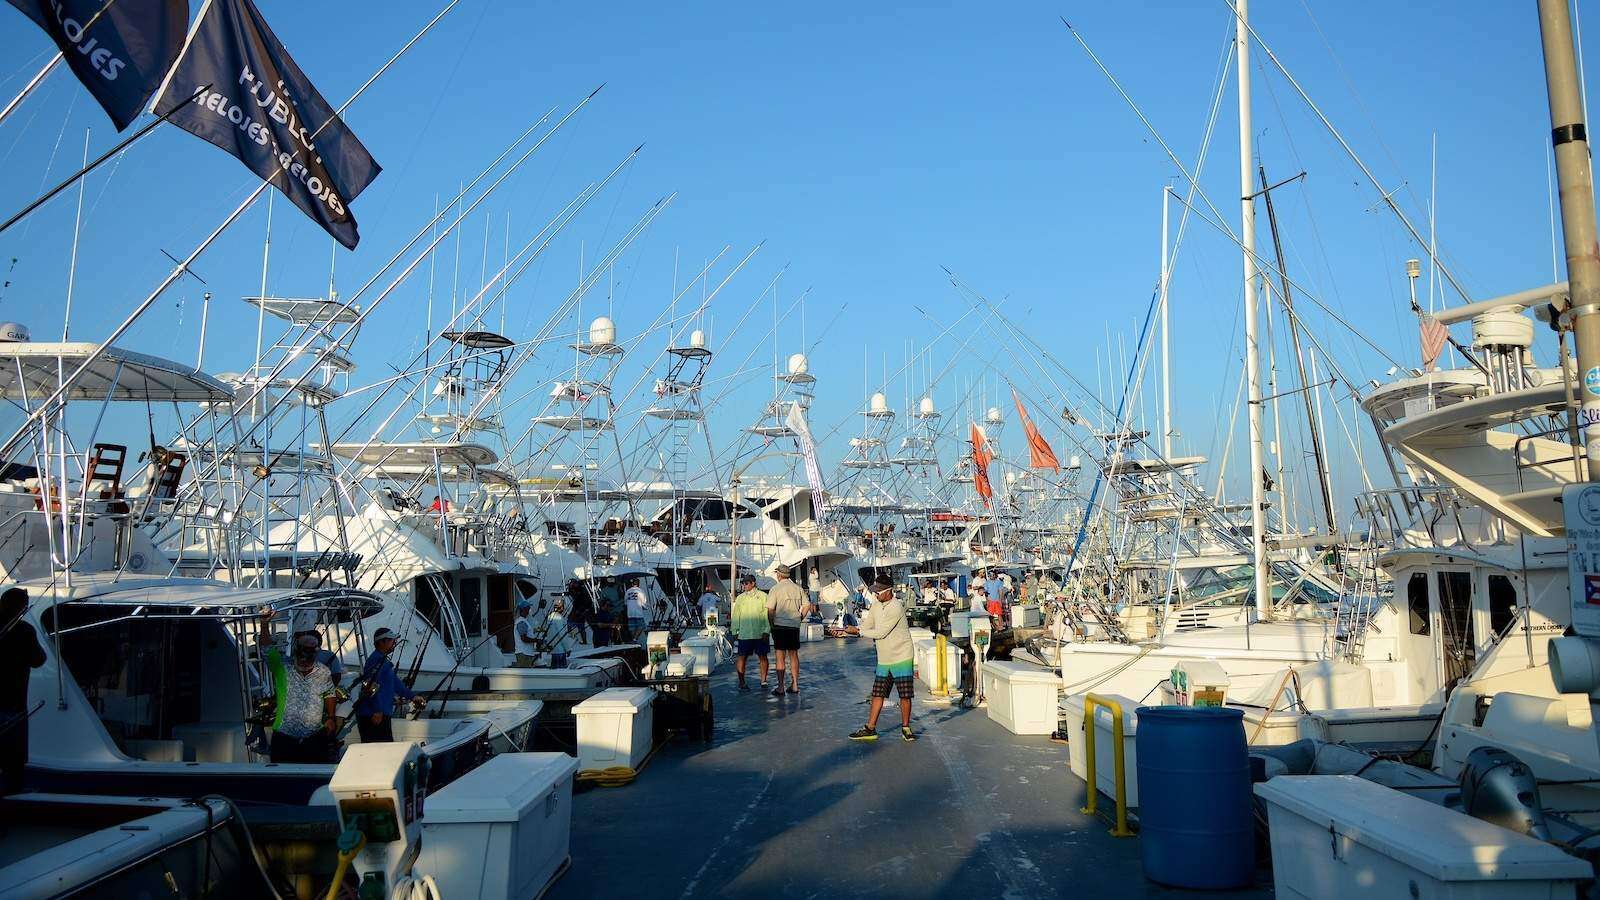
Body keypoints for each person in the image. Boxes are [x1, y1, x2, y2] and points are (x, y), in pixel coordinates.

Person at [849, 575, 918, 743]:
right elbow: (867, 626)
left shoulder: (896, 607)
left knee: (905, 695)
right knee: (877, 693)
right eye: (875, 591)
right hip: (884, 658)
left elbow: (881, 633)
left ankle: (906, 727)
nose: (876, 594)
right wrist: (851, 630)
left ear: (889, 591)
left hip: (902, 656)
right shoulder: (875, 605)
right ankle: (870, 728)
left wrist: (858, 632)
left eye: (879, 591)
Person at [265, 633, 340, 763]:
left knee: (314, 773)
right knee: (284, 774)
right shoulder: (282, 665)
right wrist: (264, 625)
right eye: (301, 658)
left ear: (315, 655)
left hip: (315, 737)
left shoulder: (324, 672)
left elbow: (329, 693)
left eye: (308, 659)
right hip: (284, 737)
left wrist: (331, 717)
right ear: (296, 652)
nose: (304, 662)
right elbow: (266, 648)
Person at [0, 588, 45, 794]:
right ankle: (14, 790)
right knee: (14, 753)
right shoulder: (24, 630)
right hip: (14, 700)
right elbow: (38, 660)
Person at [353, 627, 424, 743]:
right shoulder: (375, 660)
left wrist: (413, 696)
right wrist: (377, 710)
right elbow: (370, 685)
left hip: (383, 713)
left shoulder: (384, 661)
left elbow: (396, 684)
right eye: (391, 640)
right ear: (382, 642)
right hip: (373, 714)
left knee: (386, 747)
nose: (394, 643)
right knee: (377, 749)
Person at [766, 564, 812, 697]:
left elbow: (770, 610)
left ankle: (781, 687)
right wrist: (800, 617)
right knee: (793, 655)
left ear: (779, 575)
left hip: (779, 625)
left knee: (780, 656)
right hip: (794, 625)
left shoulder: (775, 589)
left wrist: (771, 625)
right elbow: (807, 605)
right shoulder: (798, 588)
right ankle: (795, 685)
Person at [730, 574, 770, 692]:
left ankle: (763, 681)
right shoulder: (740, 598)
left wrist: (767, 630)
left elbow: (767, 614)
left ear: (753, 583)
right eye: (743, 583)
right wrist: (734, 630)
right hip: (744, 633)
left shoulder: (763, 596)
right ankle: (741, 682)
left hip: (760, 633)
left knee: (763, 657)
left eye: (746, 583)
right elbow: (736, 615)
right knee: (742, 657)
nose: (744, 585)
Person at [513, 600, 539, 666]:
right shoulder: (521, 622)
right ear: (524, 609)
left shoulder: (524, 621)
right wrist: (536, 640)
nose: (529, 610)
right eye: (528, 608)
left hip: (526, 653)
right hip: (524, 654)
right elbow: (524, 638)